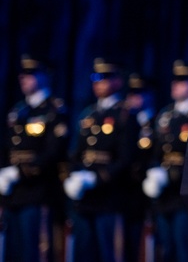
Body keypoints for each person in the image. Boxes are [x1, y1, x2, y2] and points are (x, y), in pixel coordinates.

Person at [63, 58, 140, 262]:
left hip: (110, 197)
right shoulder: (88, 114)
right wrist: (73, 175)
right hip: (85, 198)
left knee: (108, 253)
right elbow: (76, 153)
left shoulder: (125, 115)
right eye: (96, 78)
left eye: (105, 78)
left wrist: (97, 178)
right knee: (83, 252)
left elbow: (126, 158)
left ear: (117, 82)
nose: (99, 83)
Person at [0, 54, 70, 262]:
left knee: (34, 252)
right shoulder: (17, 111)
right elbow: (5, 147)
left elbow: (54, 152)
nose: (23, 78)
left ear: (45, 76)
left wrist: (20, 171)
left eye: (30, 74)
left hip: (38, 192)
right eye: (22, 74)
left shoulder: (53, 109)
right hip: (13, 195)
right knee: (12, 251)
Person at [143, 60, 188, 262]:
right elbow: (156, 150)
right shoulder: (166, 115)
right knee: (166, 248)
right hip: (164, 192)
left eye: (183, 80)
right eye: (175, 80)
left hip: (185, 192)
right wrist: (153, 171)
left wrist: (175, 173)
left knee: (184, 247)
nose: (176, 85)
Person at [124, 72, 157, 262]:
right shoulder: (127, 123)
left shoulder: (158, 123)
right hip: (129, 193)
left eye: (139, 93)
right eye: (131, 93)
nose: (133, 98)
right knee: (130, 242)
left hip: (152, 192)